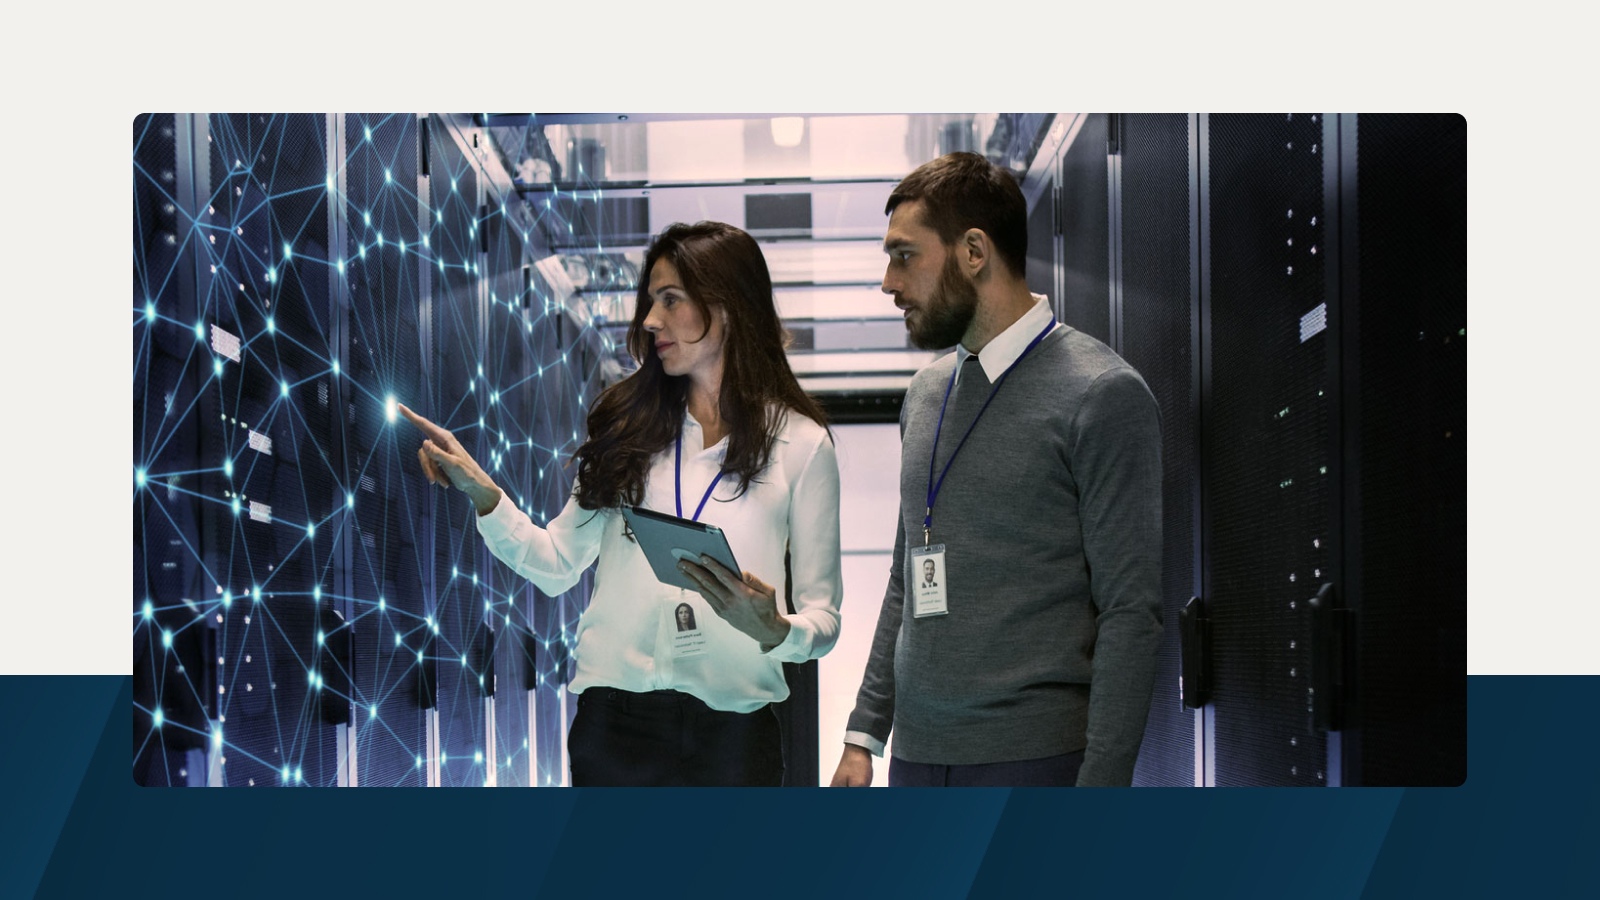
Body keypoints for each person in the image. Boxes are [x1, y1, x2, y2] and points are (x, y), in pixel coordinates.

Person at [401, 221, 842, 787]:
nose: (650, 320)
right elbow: (558, 563)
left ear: (728, 307)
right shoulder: (627, 426)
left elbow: (823, 620)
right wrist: (484, 494)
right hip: (615, 729)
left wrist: (775, 628)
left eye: (671, 299)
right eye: (650, 301)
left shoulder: (802, 446)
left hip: (734, 738)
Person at [829, 152, 1163, 788]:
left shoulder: (1101, 394)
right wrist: (863, 733)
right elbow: (906, 575)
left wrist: (1103, 787)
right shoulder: (926, 394)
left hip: (1035, 763)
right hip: (918, 762)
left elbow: (1130, 612)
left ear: (974, 251)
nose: (887, 283)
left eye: (904, 256)